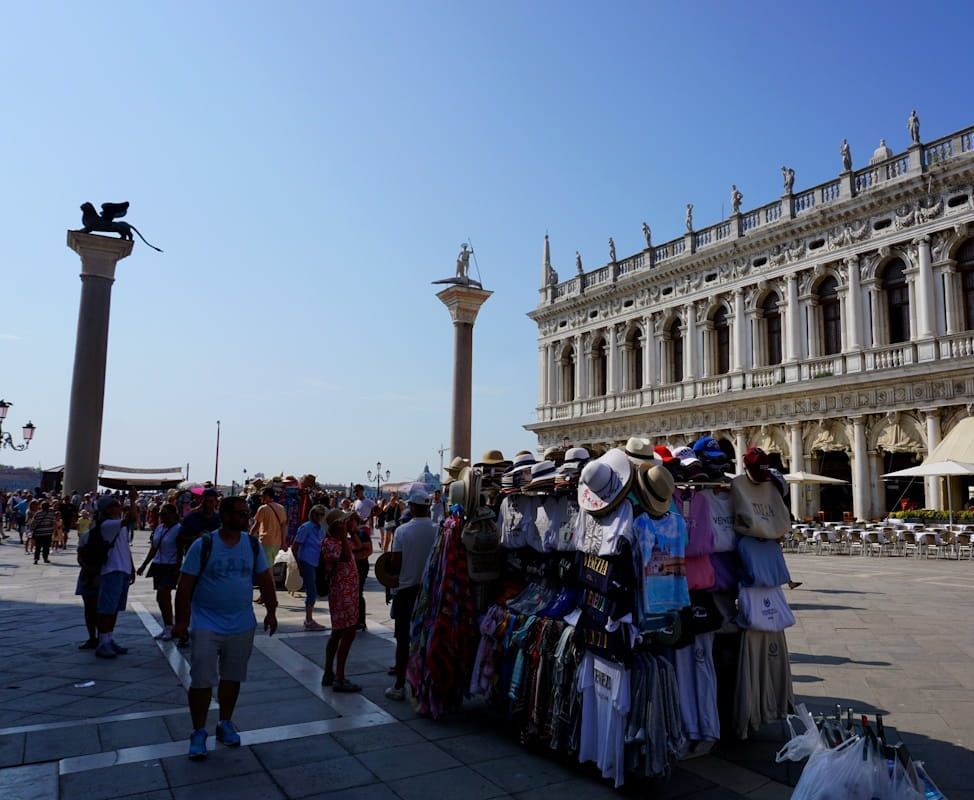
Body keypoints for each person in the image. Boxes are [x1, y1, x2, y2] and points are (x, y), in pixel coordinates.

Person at [172, 495, 277, 761]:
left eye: (247, 513)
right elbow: (184, 586)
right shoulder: (204, 545)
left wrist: (272, 611)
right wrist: (181, 622)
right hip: (207, 622)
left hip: (241, 623)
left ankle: (225, 722)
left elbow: (265, 579)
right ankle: (198, 731)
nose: (247, 518)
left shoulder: (252, 545)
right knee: (202, 680)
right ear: (226, 516)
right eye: (241, 514)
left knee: (232, 677)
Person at [384, 486, 437, 701]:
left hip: (406, 590)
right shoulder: (437, 529)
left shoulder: (402, 531)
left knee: (403, 639)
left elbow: (395, 563)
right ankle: (424, 682)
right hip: (429, 590)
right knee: (427, 638)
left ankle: (399, 685)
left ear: (412, 507)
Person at [94, 491, 138, 659]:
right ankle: (103, 641)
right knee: (107, 608)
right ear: (107, 510)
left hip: (123, 568)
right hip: (112, 569)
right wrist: (133, 500)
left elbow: (125, 547)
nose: (118, 508)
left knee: (114, 609)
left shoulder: (116, 525)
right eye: (114, 506)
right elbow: (132, 519)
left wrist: (131, 567)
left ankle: (108, 638)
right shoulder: (108, 525)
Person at [320, 507, 360, 692]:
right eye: (343, 522)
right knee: (346, 632)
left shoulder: (340, 540)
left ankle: (330, 673)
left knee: (338, 633)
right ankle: (339, 676)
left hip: (349, 591)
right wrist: (345, 536)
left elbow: (358, 546)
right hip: (341, 592)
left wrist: (351, 533)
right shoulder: (330, 542)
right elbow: (344, 557)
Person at [136, 503, 182, 640]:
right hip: (158, 564)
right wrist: (144, 565)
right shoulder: (159, 528)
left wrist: (178, 568)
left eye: (165, 514)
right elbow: (154, 548)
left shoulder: (178, 529)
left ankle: (171, 627)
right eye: (160, 514)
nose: (162, 517)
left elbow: (180, 551)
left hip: (170, 564)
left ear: (174, 515)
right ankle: (167, 625)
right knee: (160, 598)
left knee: (164, 595)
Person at [293, 504, 328, 631]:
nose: (319, 517)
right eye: (317, 514)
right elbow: (295, 546)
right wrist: (299, 565)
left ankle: (309, 618)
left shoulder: (320, 529)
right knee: (311, 592)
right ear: (311, 514)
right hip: (306, 561)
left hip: (315, 561)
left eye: (321, 514)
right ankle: (308, 619)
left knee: (314, 591)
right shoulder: (306, 527)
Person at [250, 487, 286, 604]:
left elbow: (256, 526)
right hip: (276, 542)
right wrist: (283, 541)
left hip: (265, 541)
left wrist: (249, 538)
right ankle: (264, 595)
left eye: (262, 495)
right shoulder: (281, 508)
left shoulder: (263, 509)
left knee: (266, 571)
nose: (261, 497)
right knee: (266, 569)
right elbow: (284, 526)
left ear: (267, 496)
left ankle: (270, 596)